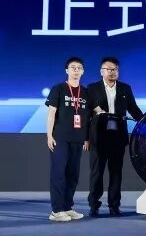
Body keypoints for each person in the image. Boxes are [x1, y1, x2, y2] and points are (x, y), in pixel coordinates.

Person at [86, 56, 144, 217]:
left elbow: (133, 109)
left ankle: (114, 205)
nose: (112, 72)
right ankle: (94, 205)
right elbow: (86, 113)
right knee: (96, 173)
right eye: (108, 69)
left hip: (118, 137)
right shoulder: (92, 88)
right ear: (101, 71)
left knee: (116, 173)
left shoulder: (125, 88)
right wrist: (86, 138)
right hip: (98, 137)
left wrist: (145, 120)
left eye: (115, 69)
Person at [45, 57, 91, 222]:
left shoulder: (86, 92)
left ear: (83, 71)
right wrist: (49, 135)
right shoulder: (58, 89)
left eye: (79, 68)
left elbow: (87, 118)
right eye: (73, 67)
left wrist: (86, 138)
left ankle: (67, 207)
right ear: (67, 70)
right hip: (60, 138)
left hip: (78, 139)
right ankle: (56, 211)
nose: (76, 70)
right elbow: (51, 114)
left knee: (73, 175)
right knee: (59, 174)